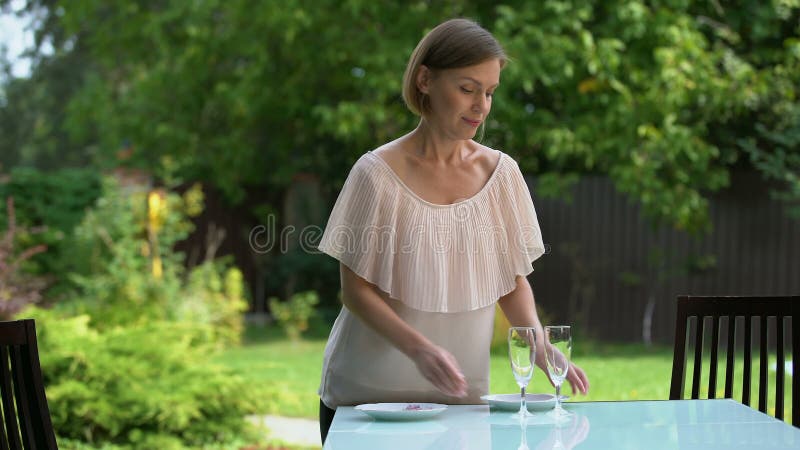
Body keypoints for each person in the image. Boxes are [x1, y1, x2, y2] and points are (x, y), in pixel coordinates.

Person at [316, 18, 589, 444]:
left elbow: (511, 283)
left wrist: (538, 345)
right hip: (365, 405)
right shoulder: (375, 174)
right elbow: (356, 292)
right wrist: (419, 348)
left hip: (463, 407)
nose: (481, 105)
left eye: (490, 92)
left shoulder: (503, 175)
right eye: (467, 88)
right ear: (425, 79)